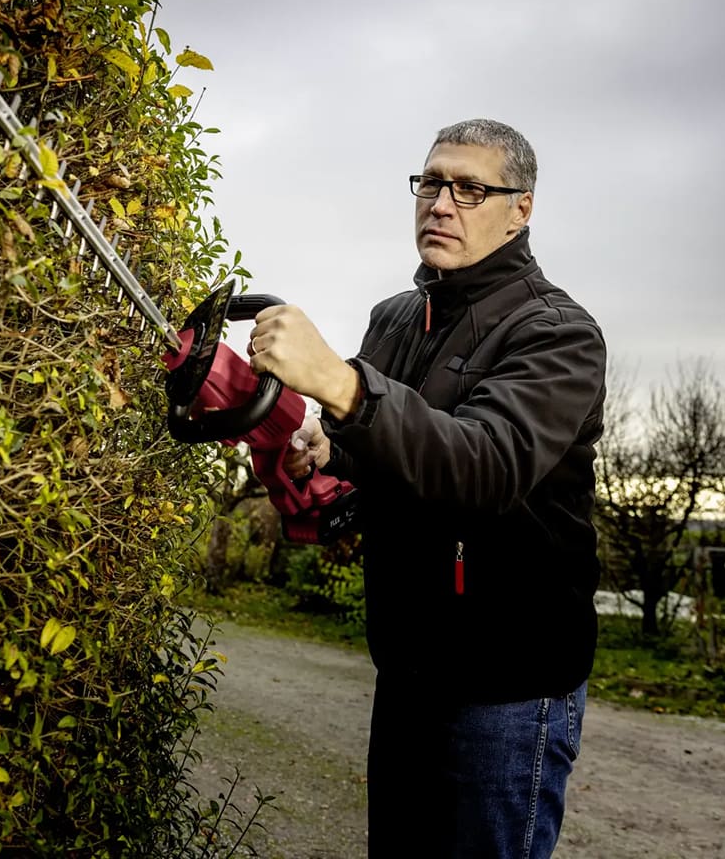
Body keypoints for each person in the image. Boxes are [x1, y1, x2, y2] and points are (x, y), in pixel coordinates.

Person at [246, 118, 607, 858]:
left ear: (521, 209)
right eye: (432, 183)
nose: (441, 204)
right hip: (407, 667)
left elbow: (485, 467)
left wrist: (343, 386)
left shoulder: (559, 334)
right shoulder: (395, 320)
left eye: (470, 189)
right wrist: (328, 451)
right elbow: (395, 456)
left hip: (510, 684)